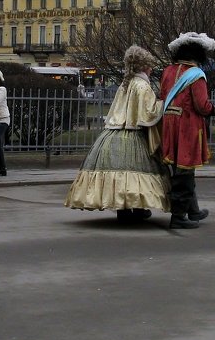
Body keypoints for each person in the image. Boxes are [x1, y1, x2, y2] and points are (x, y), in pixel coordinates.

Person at [65, 45, 169, 222]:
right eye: (150, 65)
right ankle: (136, 208)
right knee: (134, 171)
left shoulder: (125, 83)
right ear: (144, 66)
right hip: (133, 134)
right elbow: (148, 113)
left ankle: (123, 210)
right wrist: (163, 104)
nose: (151, 69)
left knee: (119, 172)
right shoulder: (142, 85)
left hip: (112, 134)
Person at [158, 32, 215, 229]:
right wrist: (211, 108)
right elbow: (201, 105)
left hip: (169, 123)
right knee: (185, 170)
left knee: (179, 169)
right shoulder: (196, 75)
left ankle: (193, 210)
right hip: (187, 125)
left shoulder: (167, 71)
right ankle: (178, 216)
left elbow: (163, 96)